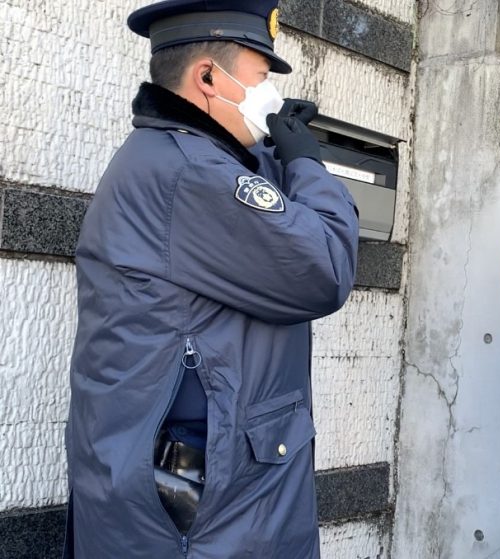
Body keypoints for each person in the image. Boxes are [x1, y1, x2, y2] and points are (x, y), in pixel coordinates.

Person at [63, 0, 359, 556]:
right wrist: (307, 165)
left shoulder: (178, 158)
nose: (268, 93)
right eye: (260, 77)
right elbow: (324, 266)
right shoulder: (190, 172)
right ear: (207, 78)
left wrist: (274, 147)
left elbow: (266, 221)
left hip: (195, 482)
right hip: (200, 501)